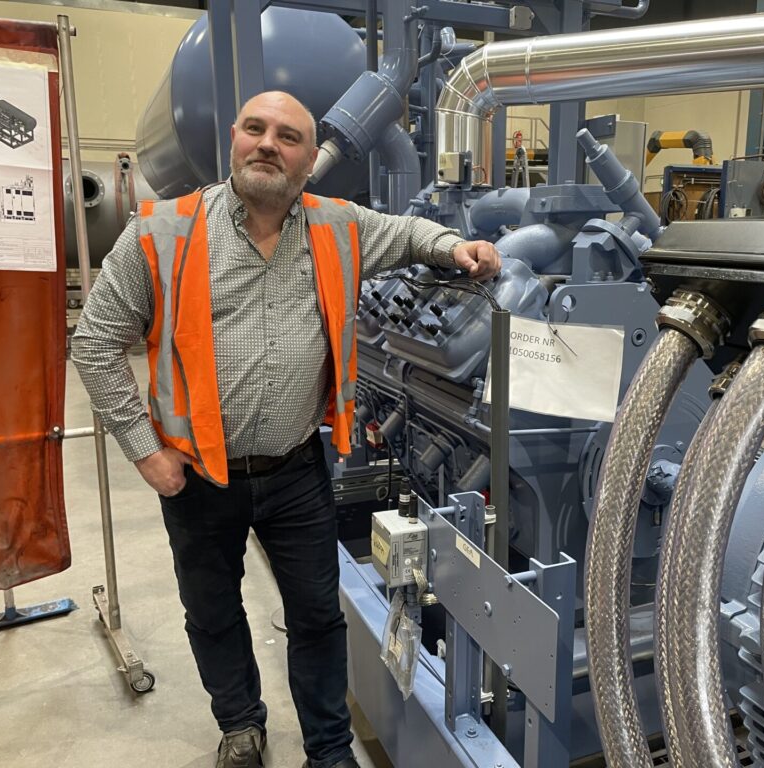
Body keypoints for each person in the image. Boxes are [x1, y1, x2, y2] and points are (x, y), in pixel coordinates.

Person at [72, 90, 501, 768]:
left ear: (308, 163)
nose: (268, 143)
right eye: (255, 128)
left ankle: (329, 748)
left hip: (297, 469)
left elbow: (413, 233)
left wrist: (457, 247)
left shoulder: (339, 225)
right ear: (234, 142)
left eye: (289, 136)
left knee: (317, 619)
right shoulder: (160, 232)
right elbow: (94, 343)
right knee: (213, 615)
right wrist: (144, 451)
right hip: (197, 476)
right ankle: (241, 723)